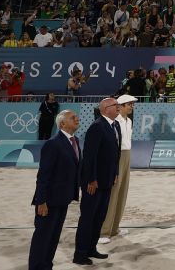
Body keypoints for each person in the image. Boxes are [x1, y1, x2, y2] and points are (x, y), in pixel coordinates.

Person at [29, 110, 80, 270]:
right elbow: (43, 176)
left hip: (63, 199)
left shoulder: (75, 141)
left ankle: (46, 265)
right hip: (49, 200)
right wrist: (41, 201)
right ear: (62, 123)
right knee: (43, 238)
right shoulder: (53, 143)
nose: (77, 119)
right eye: (73, 118)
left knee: (53, 237)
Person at [74, 97, 120, 265]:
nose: (118, 107)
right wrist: (91, 179)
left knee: (99, 217)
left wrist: (115, 172)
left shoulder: (115, 126)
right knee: (87, 218)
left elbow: (115, 154)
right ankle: (79, 254)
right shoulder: (97, 127)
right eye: (116, 105)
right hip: (94, 183)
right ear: (106, 108)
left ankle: (91, 248)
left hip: (107, 181)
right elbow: (89, 157)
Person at [99, 94, 137, 244]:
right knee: (113, 192)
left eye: (132, 104)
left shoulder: (129, 121)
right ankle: (104, 230)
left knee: (122, 191)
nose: (132, 107)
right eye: (129, 104)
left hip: (127, 155)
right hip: (117, 155)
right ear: (120, 106)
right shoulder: (115, 122)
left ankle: (115, 227)